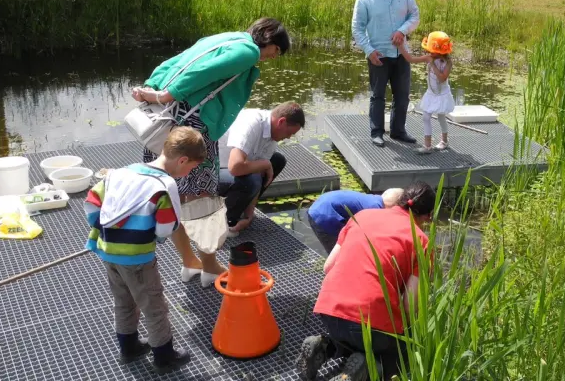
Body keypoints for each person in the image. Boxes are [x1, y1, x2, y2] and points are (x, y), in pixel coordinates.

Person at [131, 18, 290, 280]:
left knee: (170, 192)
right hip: (193, 124)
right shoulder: (248, 50)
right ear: (270, 39)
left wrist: (153, 88)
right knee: (202, 195)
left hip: (164, 121)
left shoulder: (225, 37)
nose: (274, 57)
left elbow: (175, 61)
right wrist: (166, 94)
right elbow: (202, 73)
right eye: (277, 51)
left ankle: (190, 261)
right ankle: (209, 265)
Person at [84, 127, 207, 374]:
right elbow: (166, 228)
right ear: (183, 159)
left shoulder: (120, 172)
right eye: (191, 167)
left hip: (107, 251)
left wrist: (109, 230)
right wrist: (147, 236)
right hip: (137, 257)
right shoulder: (164, 184)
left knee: (123, 300)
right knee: (154, 305)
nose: (188, 172)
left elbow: (91, 203)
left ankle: (128, 348)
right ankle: (164, 356)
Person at [296, 181, 434, 381]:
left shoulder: (362, 216)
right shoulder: (420, 240)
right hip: (369, 325)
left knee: (353, 333)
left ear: (401, 201)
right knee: (397, 357)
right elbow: (409, 306)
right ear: (427, 217)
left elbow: (328, 267)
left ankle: (324, 347)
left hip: (328, 311)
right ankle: (366, 369)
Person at [352, 0, 420, 148]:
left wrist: (402, 31)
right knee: (377, 95)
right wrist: (369, 50)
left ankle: (398, 131)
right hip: (378, 55)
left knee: (402, 94)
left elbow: (414, 16)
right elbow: (357, 28)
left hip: (401, 54)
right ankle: (377, 133)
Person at [218, 102, 305, 237]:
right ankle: (226, 223)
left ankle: (241, 212)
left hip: (229, 172)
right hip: (209, 172)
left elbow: (259, 173)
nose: (288, 137)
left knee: (277, 161)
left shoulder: (272, 134)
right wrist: (265, 164)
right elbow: (235, 167)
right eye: (290, 133)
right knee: (251, 180)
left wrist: (249, 214)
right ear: (281, 122)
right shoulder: (252, 123)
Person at [400, 31, 455, 154]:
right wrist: (400, 47)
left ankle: (444, 141)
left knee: (441, 116)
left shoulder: (447, 62)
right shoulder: (428, 58)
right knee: (426, 117)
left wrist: (433, 66)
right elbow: (411, 59)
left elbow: (442, 78)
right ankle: (427, 145)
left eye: (431, 50)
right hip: (431, 93)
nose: (429, 52)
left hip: (442, 94)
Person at [306, 188, 404, 253]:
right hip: (324, 217)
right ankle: (336, 277)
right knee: (339, 253)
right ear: (394, 206)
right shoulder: (376, 210)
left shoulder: (373, 199)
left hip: (318, 207)